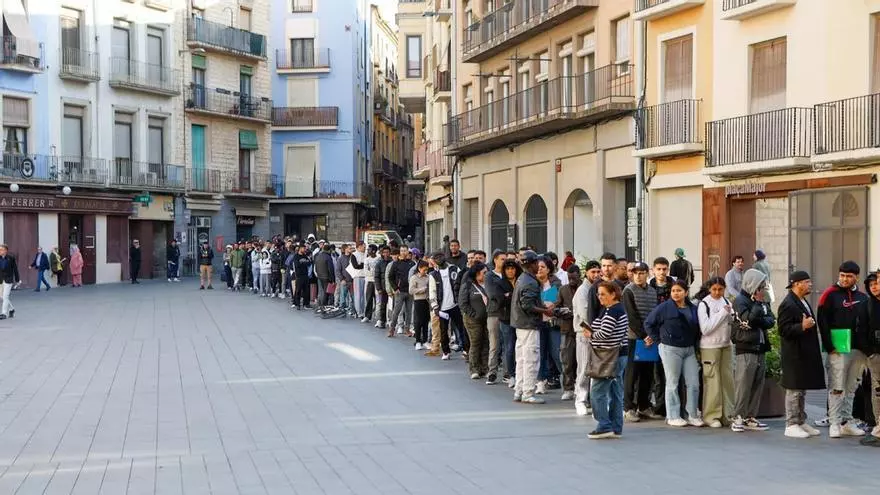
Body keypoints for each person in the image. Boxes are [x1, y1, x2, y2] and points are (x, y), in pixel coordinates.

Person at [817, 261, 869, 438]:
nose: (845, 279)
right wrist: (829, 346)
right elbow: (822, 321)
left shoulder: (863, 297)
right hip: (837, 350)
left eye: (849, 276)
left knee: (852, 387)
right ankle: (834, 422)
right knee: (837, 386)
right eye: (842, 275)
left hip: (858, 350)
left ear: (856, 277)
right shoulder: (829, 295)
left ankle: (847, 421)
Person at [645, 280, 704, 427]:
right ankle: (673, 415)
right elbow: (649, 323)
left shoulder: (693, 308)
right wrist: (659, 341)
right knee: (672, 382)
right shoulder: (664, 307)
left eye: (679, 290)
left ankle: (692, 414)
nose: (676, 293)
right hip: (670, 348)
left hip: (689, 348)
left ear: (686, 292)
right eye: (673, 291)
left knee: (693, 383)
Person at [777, 270, 825, 439]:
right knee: (794, 389)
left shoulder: (801, 300)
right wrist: (802, 326)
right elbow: (782, 330)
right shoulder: (788, 304)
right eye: (806, 282)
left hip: (804, 352)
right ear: (796, 284)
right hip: (794, 354)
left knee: (801, 388)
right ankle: (791, 423)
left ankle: (801, 420)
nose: (810, 284)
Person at [731, 268, 776, 433]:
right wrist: (757, 304)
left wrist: (759, 317)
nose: (762, 289)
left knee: (757, 383)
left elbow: (771, 320)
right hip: (746, 347)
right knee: (743, 384)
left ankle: (751, 416)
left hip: (760, 347)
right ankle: (738, 417)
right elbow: (747, 321)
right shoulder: (740, 300)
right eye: (760, 285)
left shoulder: (763, 300)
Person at [585, 281, 629, 439]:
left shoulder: (612, 311)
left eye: (603, 294)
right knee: (616, 392)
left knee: (597, 391)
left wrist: (591, 335)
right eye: (598, 294)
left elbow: (605, 333)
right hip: (618, 355)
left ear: (613, 294)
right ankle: (615, 427)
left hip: (610, 357)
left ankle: (604, 425)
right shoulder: (613, 309)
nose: (599, 297)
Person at [621, 262, 660, 422]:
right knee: (632, 373)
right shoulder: (628, 290)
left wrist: (651, 335)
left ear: (647, 274)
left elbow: (654, 314)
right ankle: (628, 407)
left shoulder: (652, 291)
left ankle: (643, 405)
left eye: (642, 272)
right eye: (635, 272)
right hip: (634, 337)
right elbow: (631, 317)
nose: (638, 275)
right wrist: (644, 335)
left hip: (649, 338)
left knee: (647, 372)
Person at [511, 250, 551, 405]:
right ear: (533, 264)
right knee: (531, 359)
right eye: (537, 264)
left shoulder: (522, 278)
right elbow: (528, 305)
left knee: (521, 358)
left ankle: (519, 390)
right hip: (529, 324)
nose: (538, 267)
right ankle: (528, 392)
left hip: (519, 323)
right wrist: (545, 310)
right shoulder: (531, 282)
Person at [697, 277, 735, 429]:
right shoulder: (704, 304)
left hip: (726, 344)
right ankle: (711, 415)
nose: (717, 292)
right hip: (709, 347)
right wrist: (722, 314)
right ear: (709, 289)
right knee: (712, 381)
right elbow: (705, 328)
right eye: (714, 289)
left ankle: (728, 415)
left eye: (720, 289)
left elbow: (731, 321)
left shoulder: (726, 301)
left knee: (728, 381)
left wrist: (730, 315)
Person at [573, 260, 601, 416]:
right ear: (587, 273)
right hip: (584, 334)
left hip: (597, 334)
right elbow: (584, 315)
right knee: (583, 368)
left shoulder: (598, 289)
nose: (596, 275)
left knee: (595, 369)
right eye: (593, 272)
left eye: (598, 272)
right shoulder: (582, 291)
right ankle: (580, 400)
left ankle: (591, 400)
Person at [428, 251, 465, 360]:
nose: (439, 259)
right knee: (443, 331)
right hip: (442, 308)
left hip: (455, 305)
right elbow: (432, 292)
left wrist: (460, 301)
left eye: (440, 256)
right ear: (434, 261)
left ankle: (466, 349)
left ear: (445, 257)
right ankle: (446, 351)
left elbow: (461, 284)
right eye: (436, 257)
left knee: (461, 328)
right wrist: (435, 306)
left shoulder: (454, 269)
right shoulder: (433, 275)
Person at [536, 257, 563, 395]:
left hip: (553, 322)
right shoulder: (532, 284)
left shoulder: (557, 284)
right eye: (538, 267)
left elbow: (561, 300)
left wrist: (555, 305)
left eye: (542, 267)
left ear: (548, 269)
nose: (539, 269)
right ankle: (540, 381)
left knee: (557, 352)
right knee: (540, 353)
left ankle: (567, 381)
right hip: (538, 323)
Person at [460, 262, 490, 379]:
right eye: (484, 272)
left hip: (488, 319)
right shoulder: (468, 285)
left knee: (486, 342)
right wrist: (474, 314)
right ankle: (474, 369)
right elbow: (463, 303)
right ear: (477, 274)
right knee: (476, 342)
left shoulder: (489, 284)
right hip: (472, 320)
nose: (486, 274)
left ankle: (485, 368)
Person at [558, 264, 582, 401]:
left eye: (574, 277)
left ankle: (579, 387)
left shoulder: (584, 289)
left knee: (580, 362)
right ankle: (568, 388)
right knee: (567, 360)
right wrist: (560, 311)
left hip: (580, 329)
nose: (571, 280)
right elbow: (557, 305)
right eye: (569, 278)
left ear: (579, 275)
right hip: (566, 329)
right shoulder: (563, 289)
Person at [496, 259, 522, 385]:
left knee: (521, 347)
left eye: (512, 268)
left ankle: (521, 373)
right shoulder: (500, 283)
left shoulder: (521, 281)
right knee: (509, 347)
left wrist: (509, 295)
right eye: (507, 269)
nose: (510, 271)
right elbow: (500, 300)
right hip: (506, 319)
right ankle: (511, 375)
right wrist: (509, 296)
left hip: (521, 319)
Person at [862, 271, 880, 444]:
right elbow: (861, 331)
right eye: (871, 284)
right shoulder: (867, 305)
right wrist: (870, 352)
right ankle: (878, 424)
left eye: (877, 283)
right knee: (878, 390)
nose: (874, 287)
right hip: (875, 355)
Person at [484, 250, 506, 385]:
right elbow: (492, 294)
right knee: (494, 344)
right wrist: (505, 296)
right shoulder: (489, 276)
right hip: (494, 313)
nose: (504, 261)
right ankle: (492, 372)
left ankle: (508, 373)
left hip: (508, 313)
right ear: (495, 260)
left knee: (508, 344)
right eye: (502, 259)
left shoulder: (509, 275)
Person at [388, 246, 416, 337]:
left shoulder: (412, 263)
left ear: (408, 251)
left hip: (410, 291)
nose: (403, 252)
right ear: (399, 252)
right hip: (400, 291)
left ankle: (407, 329)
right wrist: (395, 288)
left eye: (405, 250)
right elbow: (390, 277)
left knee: (409, 311)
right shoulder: (396, 263)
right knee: (397, 311)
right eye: (402, 251)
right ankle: (392, 329)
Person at [410, 260, 431, 350]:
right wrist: (422, 289)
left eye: (427, 270)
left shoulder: (429, 277)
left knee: (426, 321)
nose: (425, 272)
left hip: (427, 301)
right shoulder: (414, 278)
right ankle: (418, 341)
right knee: (418, 321)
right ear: (419, 268)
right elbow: (411, 291)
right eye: (424, 270)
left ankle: (425, 340)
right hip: (418, 301)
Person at [0, 244, 20, 319]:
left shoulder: (11, 258)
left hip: (8, 280)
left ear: (5, 250)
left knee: (5, 296)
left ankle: (4, 313)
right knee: (2, 297)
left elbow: (15, 269)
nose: (0, 251)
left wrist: (17, 280)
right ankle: (12, 309)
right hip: (1, 280)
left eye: (1, 249)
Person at [373, 245, 392, 328]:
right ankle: (382, 321)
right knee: (383, 305)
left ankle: (391, 321)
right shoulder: (379, 264)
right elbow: (376, 277)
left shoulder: (393, 262)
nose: (386, 254)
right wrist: (379, 288)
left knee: (392, 306)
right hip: (383, 287)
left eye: (387, 252)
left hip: (392, 288)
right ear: (382, 253)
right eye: (384, 252)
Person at [291, 244, 312, 310]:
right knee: (298, 290)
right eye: (303, 248)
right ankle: (297, 304)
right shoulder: (296, 256)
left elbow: (309, 263)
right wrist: (304, 262)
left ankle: (306, 304)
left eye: (305, 248)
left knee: (306, 290)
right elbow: (297, 265)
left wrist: (303, 262)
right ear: (300, 249)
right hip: (299, 276)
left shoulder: (305, 256)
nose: (305, 249)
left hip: (305, 275)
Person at [363, 245, 379, 322]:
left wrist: (372, 272)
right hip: (369, 281)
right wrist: (372, 272)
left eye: (369, 250)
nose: (367, 251)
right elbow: (366, 271)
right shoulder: (366, 260)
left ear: (374, 251)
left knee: (378, 300)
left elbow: (378, 271)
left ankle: (378, 316)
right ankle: (367, 316)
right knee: (368, 298)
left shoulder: (378, 259)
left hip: (377, 281)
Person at [351, 242, 367, 319]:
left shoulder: (366, 254)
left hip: (365, 276)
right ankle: (358, 312)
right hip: (358, 276)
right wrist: (364, 264)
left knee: (364, 296)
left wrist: (362, 264)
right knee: (358, 295)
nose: (365, 248)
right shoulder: (354, 255)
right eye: (364, 247)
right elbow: (356, 266)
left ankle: (364, 311)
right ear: (359, 247)